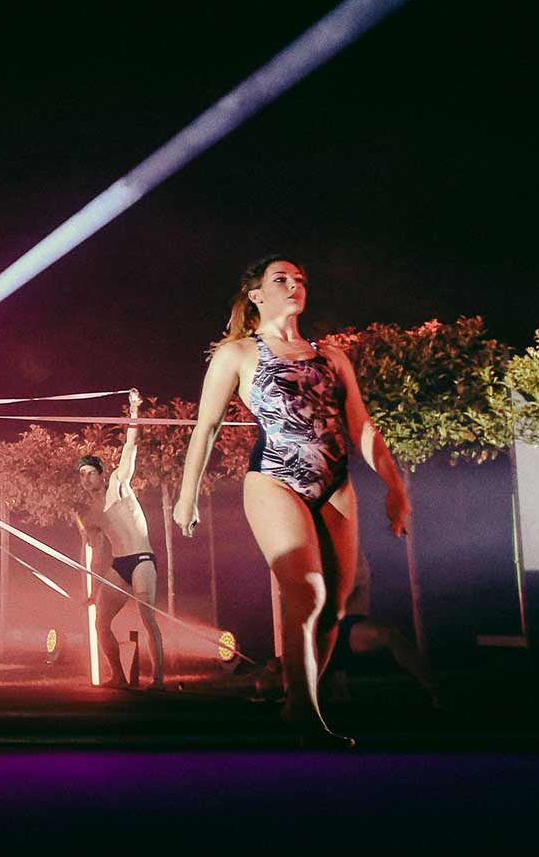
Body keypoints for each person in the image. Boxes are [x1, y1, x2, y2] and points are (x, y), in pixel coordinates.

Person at [174, 256, 410, 748]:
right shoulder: (239, 353)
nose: (294, 285)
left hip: (335, 483)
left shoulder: (332, 356)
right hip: (275, 479)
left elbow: (361, 425)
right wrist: (186, 495)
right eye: (280, 279)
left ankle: (296, 701)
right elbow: (207, 426)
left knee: (333, 610)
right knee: (308, 593)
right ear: (256, 295)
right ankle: (306, 713)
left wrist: (395, 487)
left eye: (299, 279)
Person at [75, 389, 165, 689]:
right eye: (82, 475)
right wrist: (94, 590)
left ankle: (158, 680)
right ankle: (119, 677)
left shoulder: (118, 483)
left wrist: (134, 410)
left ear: (101, 474)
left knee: (147, 618)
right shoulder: (91, 515)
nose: (86, 479)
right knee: (101, 623)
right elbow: (100, 555)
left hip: (142, 560)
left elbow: (130, 445)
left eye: (91, 473)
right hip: (120, 565)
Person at [323, 555, 441, 708]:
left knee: (388, 634)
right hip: (328, 629)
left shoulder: (355, 559)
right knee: (387, 634)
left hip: (346, 625)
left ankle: (436, 691)